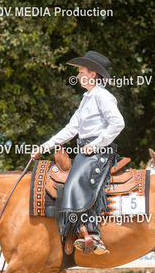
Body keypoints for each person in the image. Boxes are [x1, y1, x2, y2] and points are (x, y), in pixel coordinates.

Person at [31, 51, 125, 255]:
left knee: (75, 182)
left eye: (81, 72)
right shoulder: (86, 99)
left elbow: (118, 123)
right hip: (86, 150)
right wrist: (44, 147)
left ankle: (94, 234)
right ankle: (75, 231)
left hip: (99, 151)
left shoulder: (102, 96)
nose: (78, 75)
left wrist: (97, 144)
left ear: (92, 74)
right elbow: (71, 129)